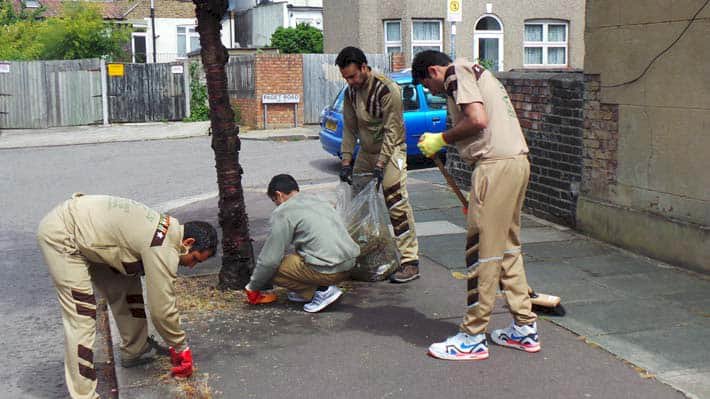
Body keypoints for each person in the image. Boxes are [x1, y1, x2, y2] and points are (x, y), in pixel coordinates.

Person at [412, 50, 539, 360]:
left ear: (433, 71)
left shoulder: (455, 72)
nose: (432, 93)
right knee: (507, 248)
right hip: (516, 162)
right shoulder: (479, 72)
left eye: (428, 86)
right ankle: (524, 327)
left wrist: (441, 138)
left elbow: (477, 120)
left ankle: (473, 336)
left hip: (494, 166)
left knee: (482, 251)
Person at [37, 193, 218, 399]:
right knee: (82, 313)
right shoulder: (163, 247)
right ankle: (83, 394)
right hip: (64, 235)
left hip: (89, 230)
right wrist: (180, 346)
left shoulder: (168, 229)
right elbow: (162, 309)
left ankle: (135, 349)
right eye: (194, 258)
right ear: (188, 242)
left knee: (126, 282)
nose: (191, 266)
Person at [335, 46, 421, 283]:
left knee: (396, 201)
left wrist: (382, 165)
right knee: (359, 203)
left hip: (392, 151)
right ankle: (370, 255)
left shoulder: (387, 89)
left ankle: (409, 260)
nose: (350, 81)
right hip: (367, 151)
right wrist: (346, 161)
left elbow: (392, 131)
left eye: (352, 76)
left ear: (364, 67)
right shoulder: (350, 93)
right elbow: (350, 129)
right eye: (346, 78)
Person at [244, 174, 360, 313]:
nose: (277, 205)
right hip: (349, 264)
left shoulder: (284, 211)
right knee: (295, 257)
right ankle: (312, 291)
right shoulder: (318, 200)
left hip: (329, 270)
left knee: (273, 268)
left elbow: (269, 260)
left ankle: (323, 290)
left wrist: (252, 287)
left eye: (275, 201)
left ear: (279, 195)